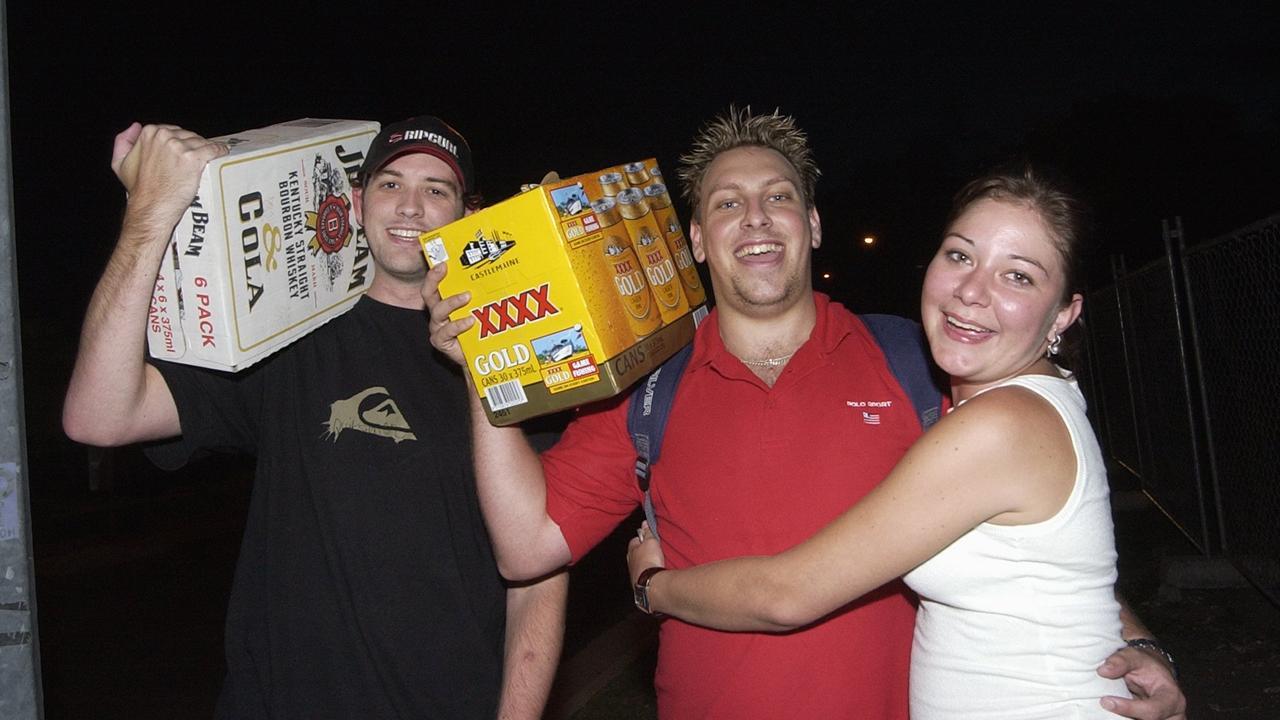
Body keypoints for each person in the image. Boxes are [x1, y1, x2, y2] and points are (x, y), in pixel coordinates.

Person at [425, 107, 1183, 719]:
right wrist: (482, 377)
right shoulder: (647, 390)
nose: (755, 219)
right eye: (727, 204)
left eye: (778, 197)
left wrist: (1140, 644)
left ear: (813, 225)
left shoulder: (921, 364)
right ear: (695, 240)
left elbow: (1029, 552)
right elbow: (525, 548)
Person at [624, 163, 1187, 718]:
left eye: (1018, 275)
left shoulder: (999, 426)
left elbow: (787, 594)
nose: (971, 291)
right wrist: (1142, 642)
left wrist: (655, 586)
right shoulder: (1026, 401)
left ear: (1065, 312)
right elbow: (1056, 577)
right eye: (961, 255)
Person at [62, 116, 567, 719]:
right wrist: (150, 212)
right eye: (389, 184)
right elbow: (99, 416)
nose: (411, 205)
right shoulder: (284, 336)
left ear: (467, 214)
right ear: (355, 202)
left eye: (438, 190)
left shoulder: (516, 351)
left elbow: (539, 573)